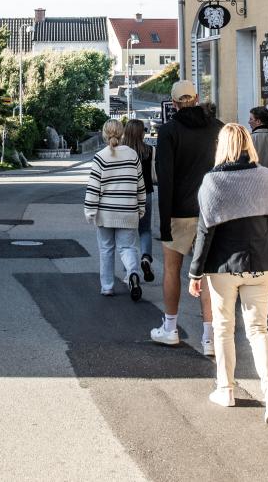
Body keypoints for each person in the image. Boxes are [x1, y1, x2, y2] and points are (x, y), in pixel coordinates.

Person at [188, 123, 268, 425]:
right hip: (261, 261)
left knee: (223, 328)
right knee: (259, 330)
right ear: (248, 144)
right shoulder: (267, 177)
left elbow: (205, 232)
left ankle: (225, 389)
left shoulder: (212, 183)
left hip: (223, 265)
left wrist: (195, 272)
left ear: (222, 146)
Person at [151, 80, 222, 352]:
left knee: (171, 270)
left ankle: (170, 328)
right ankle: (210, 337)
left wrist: (164, 220)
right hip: (211, 212)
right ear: (197, 98)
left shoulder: (168, 131)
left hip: (179, 211)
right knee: (207, 273)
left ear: (173, 103)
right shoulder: (218, 128)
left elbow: (165, 178)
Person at [85, 119, 146, 301]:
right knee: (127, 247)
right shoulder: (132, 155)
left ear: (104, 134)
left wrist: (90, 211)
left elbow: (94, 188)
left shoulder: (100, 157)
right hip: (128, 211)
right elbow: (140, 185)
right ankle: (133, 273)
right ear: (122, 134)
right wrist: (141, 207)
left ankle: (107, 287)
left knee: (106, 249)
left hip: (105, 214)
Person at [122, 118, 156, 282]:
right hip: (146, 193)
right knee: (145, 229)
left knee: (126, 233)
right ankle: (145, 258)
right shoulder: (149, 150)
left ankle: (129, 270)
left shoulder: (121, 151)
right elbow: (154, 174)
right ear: (141, 133)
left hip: (126, 196)